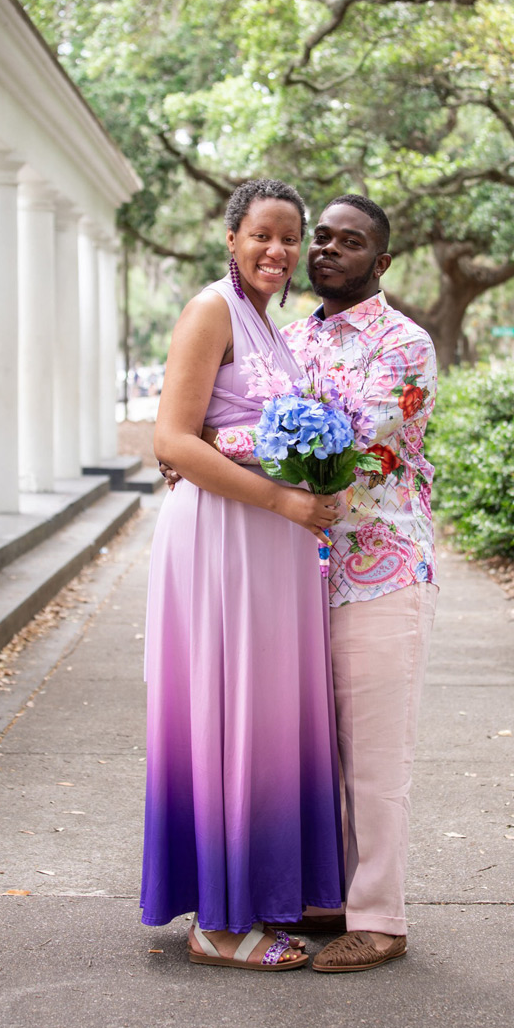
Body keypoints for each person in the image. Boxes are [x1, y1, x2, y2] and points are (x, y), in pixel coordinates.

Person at [167, 194, 438, 972]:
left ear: (380, 263)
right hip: (288, 575)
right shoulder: (288, 336)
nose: (323, 251)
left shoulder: (403, 342)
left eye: (347, 243)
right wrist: (193, 436)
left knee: (376, 757)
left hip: (380, 567)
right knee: (303, 748)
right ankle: (326, 895)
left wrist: (206, 438)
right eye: (319, 237)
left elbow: (340, 438)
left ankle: (380, 918)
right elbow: (256, 409)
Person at [140, 179, 345, 971]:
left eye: (290, 238)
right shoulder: (211, 311)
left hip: (275, 550)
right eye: (262, 235)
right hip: (224, 540)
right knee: (227, 717)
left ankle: (258, 897)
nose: (278, 251)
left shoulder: (274, 326)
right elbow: (173, 442)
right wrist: (281, 501)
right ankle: (217, 925)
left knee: (263, 723)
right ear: (232, 238)